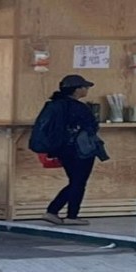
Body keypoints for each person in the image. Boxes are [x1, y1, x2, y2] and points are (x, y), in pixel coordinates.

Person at [42, 74, 103, 226]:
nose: (87, 89)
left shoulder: (53, 105)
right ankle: (70, 215)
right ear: (77, 90)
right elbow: (92, 126)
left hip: (62, 149)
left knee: (75, 181)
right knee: (79, 182)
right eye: (85, 87)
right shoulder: (79, 108)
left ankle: (53, 211)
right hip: (81, 150)